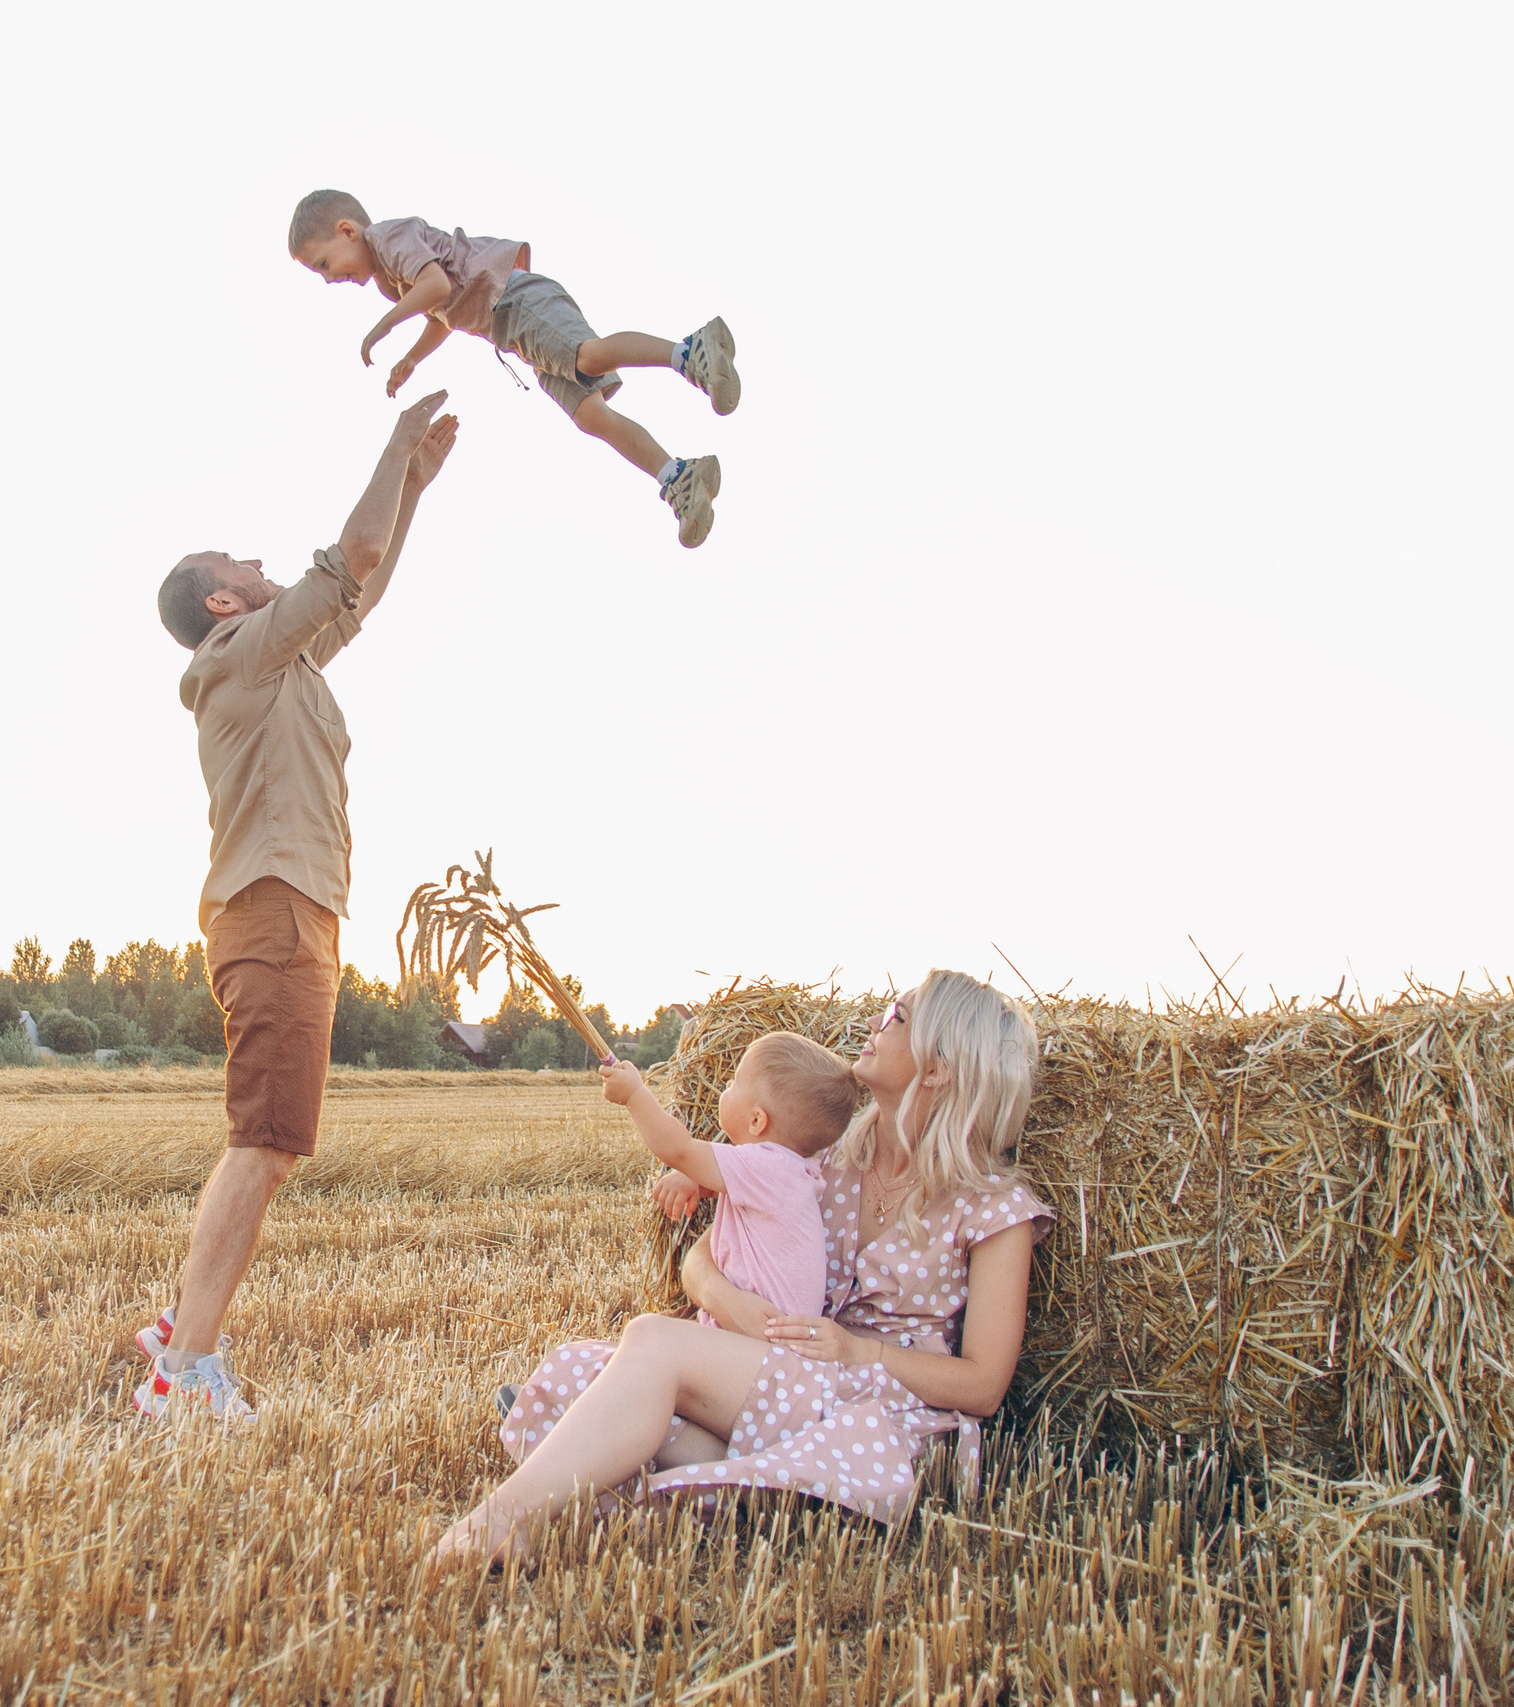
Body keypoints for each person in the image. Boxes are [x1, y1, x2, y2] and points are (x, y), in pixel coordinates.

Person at [435, 969, 1054, 1565]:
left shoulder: (995, 1208)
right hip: (786, 1382)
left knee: (647, 1353)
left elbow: (983, 1385)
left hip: (880, 1417)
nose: (874, 1021)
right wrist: (724, 1298)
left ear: (938, 1068)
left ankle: (504, 1519)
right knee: (600, 1376)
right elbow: (703, 1255)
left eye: (898, 1017)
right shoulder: (825, 1158)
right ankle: (743, 1492)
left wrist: (857, 1351)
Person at [139, 390, 461, 1422]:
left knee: (264, 1139)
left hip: (291, 913)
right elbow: (347, 558)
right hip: (275, 911)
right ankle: (183, 1371)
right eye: (239, 561)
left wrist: (413, 489)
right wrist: (394, 445)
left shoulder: (281, 660)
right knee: (265, 1142)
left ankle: (179, 1329)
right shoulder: (239, 655)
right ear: (222, 602)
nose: (258, 559)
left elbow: (357, 592)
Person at [286, 189, 738, 550]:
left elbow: (437, 285)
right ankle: (679, 477)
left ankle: (690, 352)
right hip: (512, 332)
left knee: (587, 355)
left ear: (347, 230)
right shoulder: (391, 281)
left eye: (324, 264)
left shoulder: (387, 238)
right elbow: (442, 314)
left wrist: (384, 327)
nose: (329, 278)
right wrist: (412, 357)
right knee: (590, 416)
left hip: (517, 299)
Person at [598, 1033, 856, 1324]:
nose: (725, 1087)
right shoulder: (790, 1169)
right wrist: (697, 1180)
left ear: (756, 1120)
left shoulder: (768, 1165)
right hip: (762, 1332)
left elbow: (679, 1150)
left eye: (733, 1083)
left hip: (764, 1338)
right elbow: (724, 1182)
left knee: (644, 1330)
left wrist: (634, 1095)